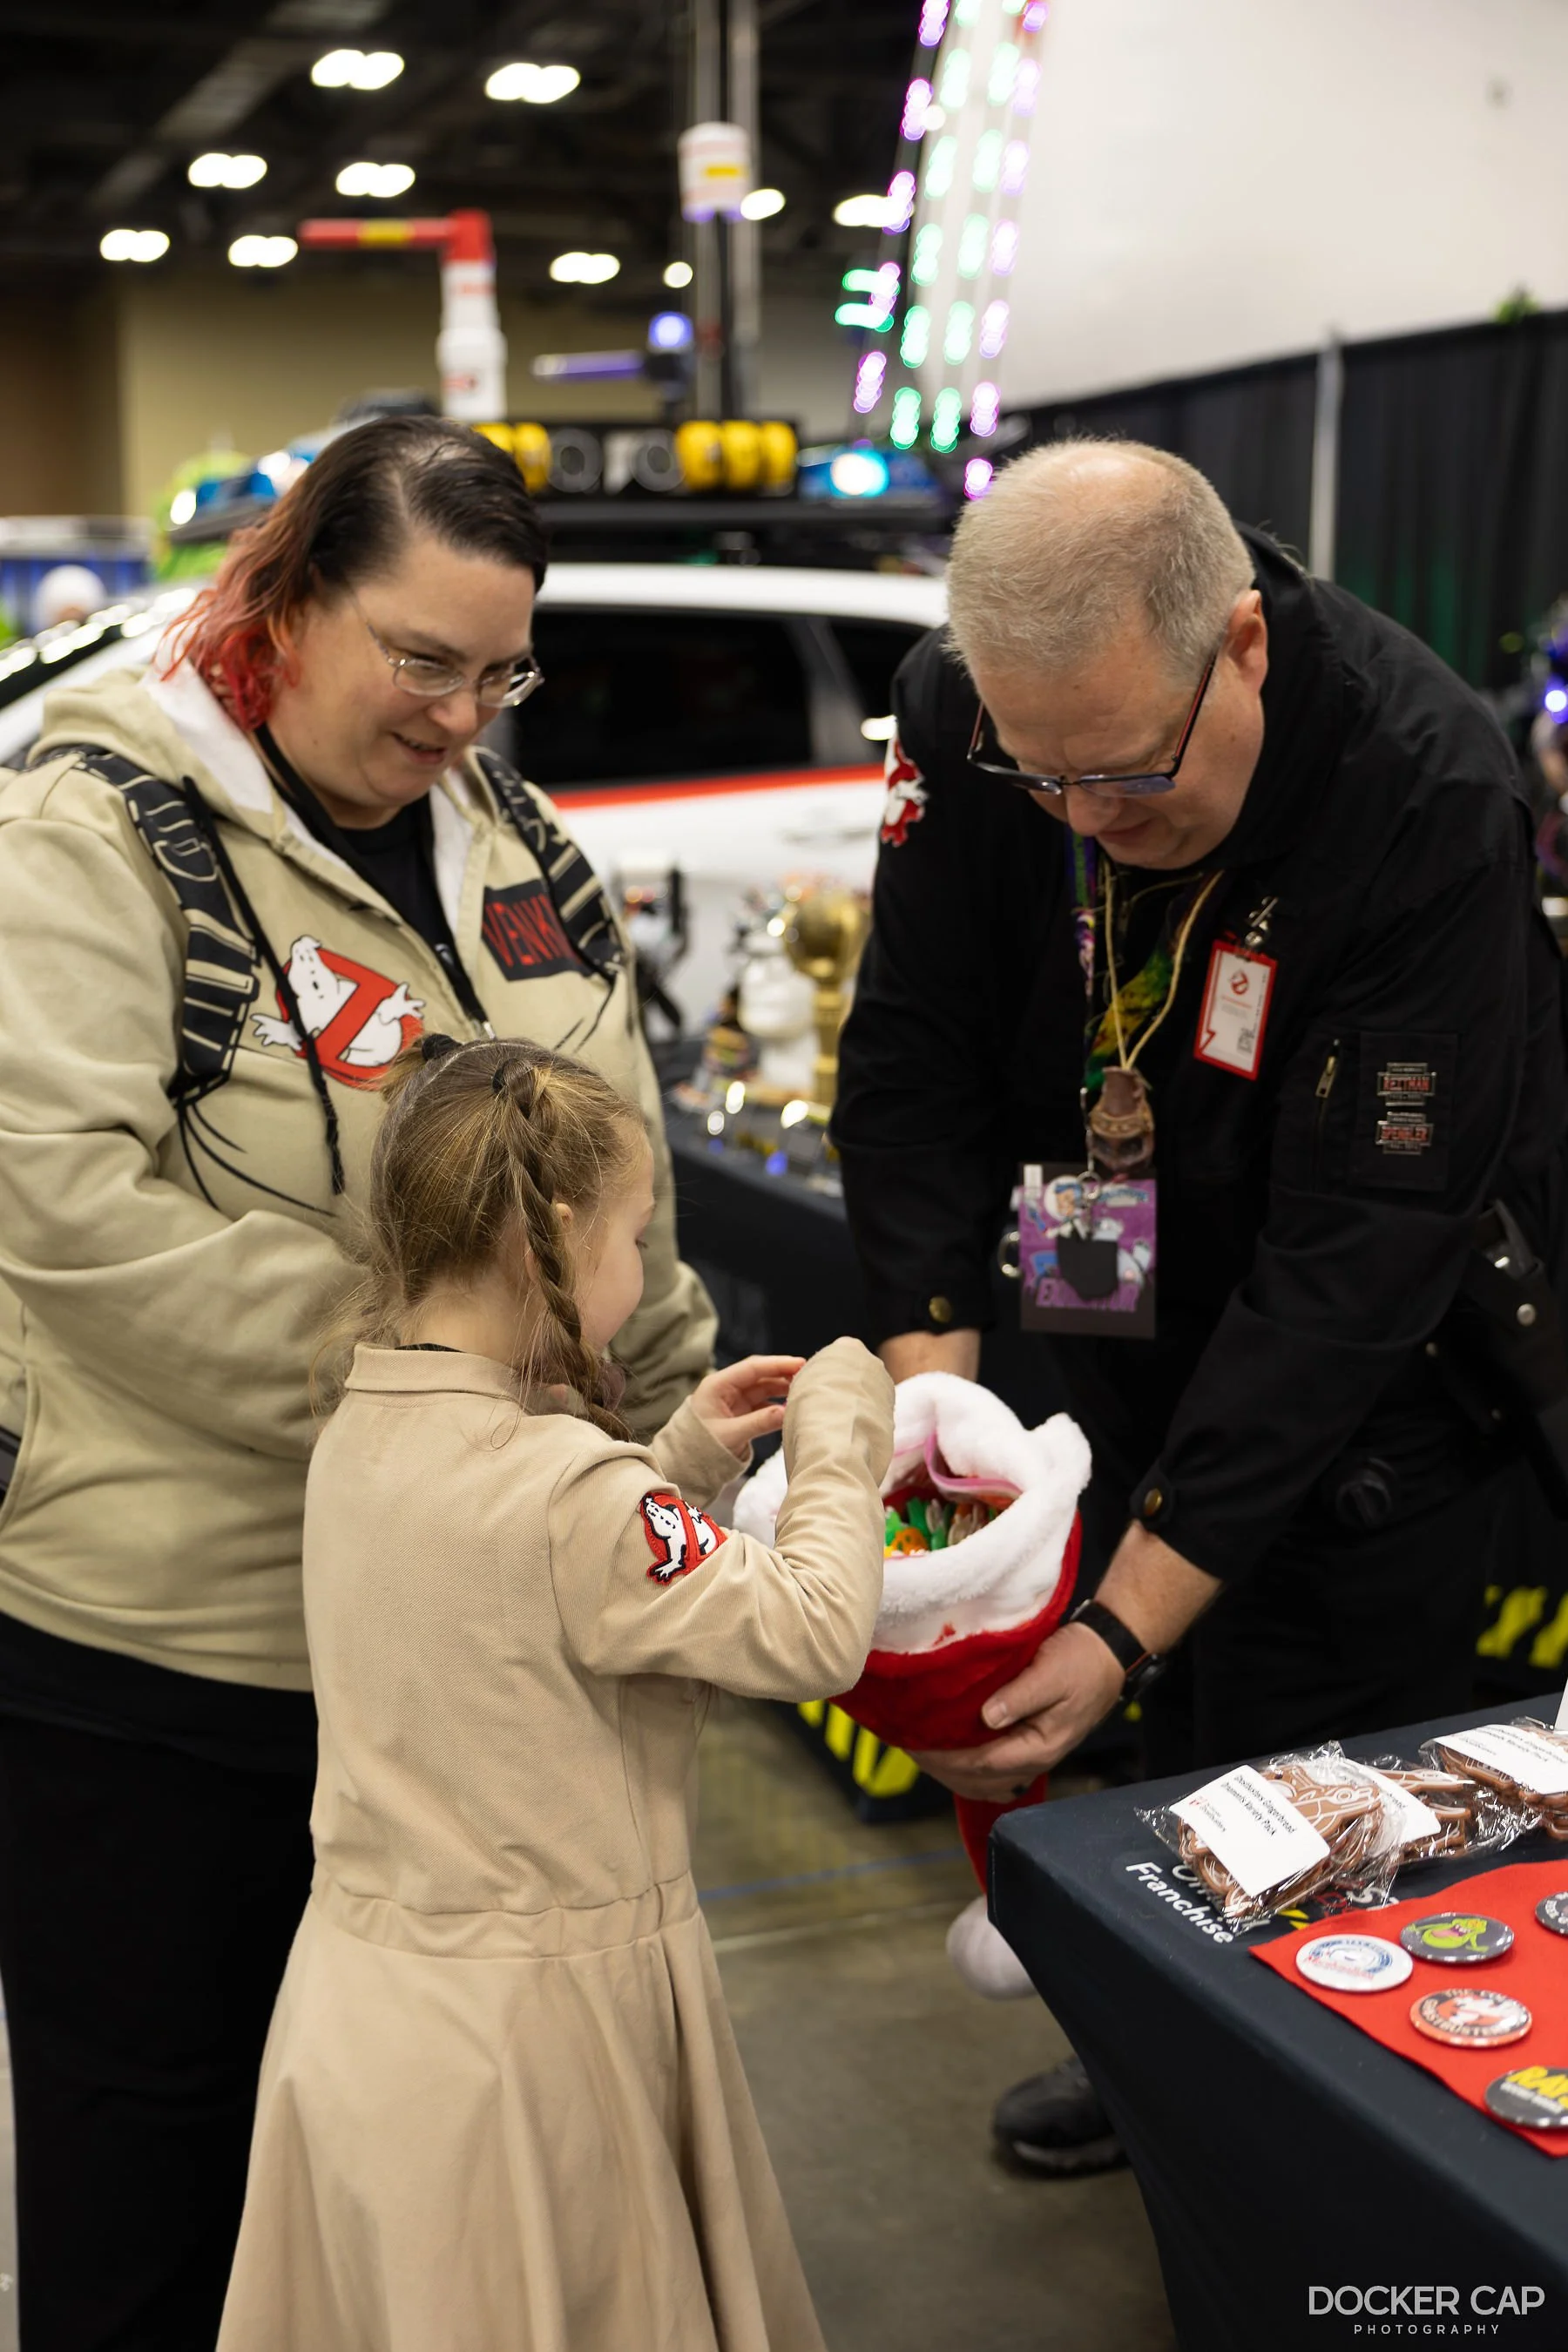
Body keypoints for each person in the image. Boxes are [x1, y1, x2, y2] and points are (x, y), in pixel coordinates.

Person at [0, 415, 717, 2349]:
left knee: (394, 2206)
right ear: (287, 600)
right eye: (423, 660)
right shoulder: (87, 827)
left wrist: (693, 1425)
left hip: (447, 1680)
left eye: (503, 671)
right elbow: (67, 1211)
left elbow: (606, 1182)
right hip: (175, 1657)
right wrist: (431, 1398)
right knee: (155, 2178)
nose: (462, 713)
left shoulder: (519, 843)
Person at [834, 439, 1568, 2173]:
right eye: (1045, 777)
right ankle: (1154, 2056)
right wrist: (934, 1417)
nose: (1085, 817)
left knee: (1312, 1827)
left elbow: (1361, 1260)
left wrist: (1120, 1624)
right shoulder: (971, 711)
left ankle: (1317, 2175)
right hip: (1116, 1308)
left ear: (1240, 643)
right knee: (1145, 1805)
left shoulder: (1425, 794)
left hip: (1376, 1404)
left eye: (1130, 775)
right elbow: (915, 1055)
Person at [217, 1034, 893, 2352]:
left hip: (362, 2024)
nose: (643, 1275)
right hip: (533, 2059)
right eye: (636, 1238)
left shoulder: (360, 1422)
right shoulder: (571, 1496)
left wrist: (679, 1455)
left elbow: (534, 1596)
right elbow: (816, 1632)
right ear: (553, 1242)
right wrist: (848, 1430)